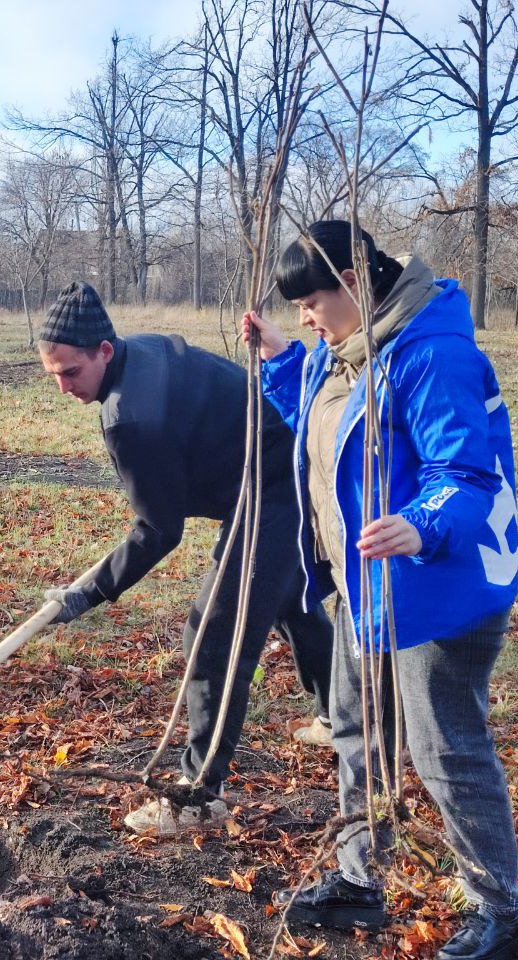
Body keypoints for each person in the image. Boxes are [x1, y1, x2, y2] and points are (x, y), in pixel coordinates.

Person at [244, 221, 518, 960]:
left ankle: (501, 912)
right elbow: (324, 425)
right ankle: (357, 882)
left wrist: (418, 522)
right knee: (357, 732)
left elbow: (465, 474)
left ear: (355, 281)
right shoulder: (339, 354)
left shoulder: (431, 353)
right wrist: (283, 362)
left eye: (312, 302)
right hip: (362, 586)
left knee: (445, 747)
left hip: (439, 585)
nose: (305, 317)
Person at [38, 281, 334, 837]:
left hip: (276, 481)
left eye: (71, 372)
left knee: (214, 632)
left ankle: (198, 795)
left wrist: (89, 591)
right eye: (51, 373)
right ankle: (345, 718)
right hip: (287, 462)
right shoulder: (138, 353)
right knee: (289, 599)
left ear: (105, 350)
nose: (61, 388)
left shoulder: (131, 417)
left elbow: (157, 530)